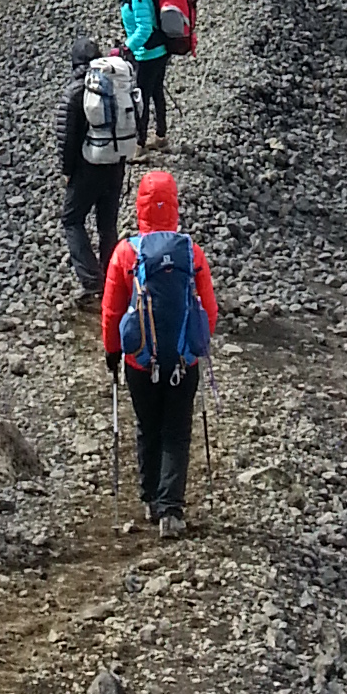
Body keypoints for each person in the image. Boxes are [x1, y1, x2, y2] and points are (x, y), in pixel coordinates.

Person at [101, 166, 218, 534]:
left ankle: (151, 498)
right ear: (175, 206)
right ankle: (171, 510)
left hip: (140, 360)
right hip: (183, 360)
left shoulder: (125, 253)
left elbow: (112, 310)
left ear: (140, 207)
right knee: (176, 431)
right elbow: (209, 309)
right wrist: (196, 346)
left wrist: (113, 351)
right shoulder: (191, 252)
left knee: (147, 426)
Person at [60, 31, 139, 308]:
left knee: (72, 219)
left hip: (89, 165)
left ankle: (93, 283)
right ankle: (116, 281)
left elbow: (67, 136)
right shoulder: (116, 84)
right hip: (116, 160)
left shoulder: (74, 91)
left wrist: (67, 170)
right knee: (107, 225)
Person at [116, 0, 170, 150]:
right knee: (156, 93)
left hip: (147, 54)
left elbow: (144, 28)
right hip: (158, 51)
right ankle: (161, 136)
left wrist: (127, 47)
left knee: (141, 99)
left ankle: (139, 146)